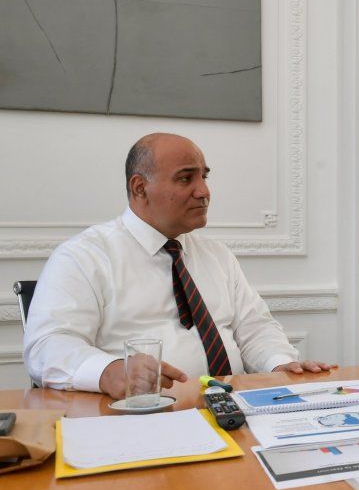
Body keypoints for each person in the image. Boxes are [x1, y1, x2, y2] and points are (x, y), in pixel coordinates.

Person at [24, 133, 334, 400]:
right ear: (140, 188)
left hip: (233, 411)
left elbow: (255, 329)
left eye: (204, 177)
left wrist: (279, 364)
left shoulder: (217, 255)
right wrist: (108, 372)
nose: (203, 191)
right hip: (139, 420)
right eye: (186, 178)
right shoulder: (84, 257)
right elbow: (47, 346)